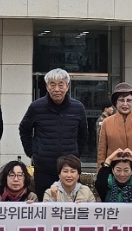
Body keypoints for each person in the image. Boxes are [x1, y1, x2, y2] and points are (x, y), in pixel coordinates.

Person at [19, 68, 88, 198]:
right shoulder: (36, 107)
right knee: (44, 209)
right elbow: (24, 129)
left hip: (70, 171)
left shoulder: (78, 108)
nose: (57, 89)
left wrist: (76, 154)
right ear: (47, 87)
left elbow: (83, 135)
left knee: (71, 210)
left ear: (67, 86)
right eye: (52, 84)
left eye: (61, 84)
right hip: (44, 169)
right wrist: (32, 152)